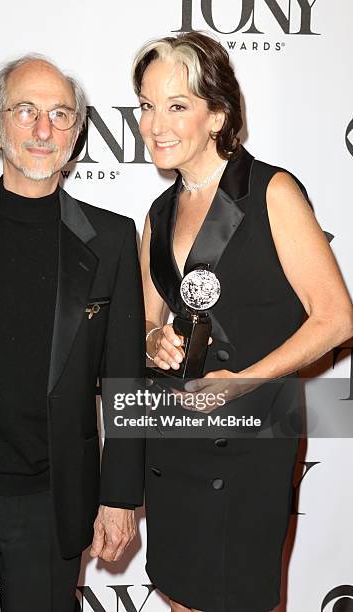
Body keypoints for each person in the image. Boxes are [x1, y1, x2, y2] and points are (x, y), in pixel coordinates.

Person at [132, 32, 353, 612]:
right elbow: (152, 325)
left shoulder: (270, 191)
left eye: (177, 106)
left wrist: (246, 381)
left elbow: (335, 318)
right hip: (176, 436)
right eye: (147, 106)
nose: (156, 124)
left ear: (217, 115)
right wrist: (155, 341)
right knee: (179, 594)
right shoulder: (157, 214)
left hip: (254, 434)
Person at [0, 54, 145, 612]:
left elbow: (125, 381)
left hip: (52, 508)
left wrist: (118, 498)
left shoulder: (111, 240)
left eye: (60, 114)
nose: (44, 129)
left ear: (75, 133)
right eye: (26, 111)